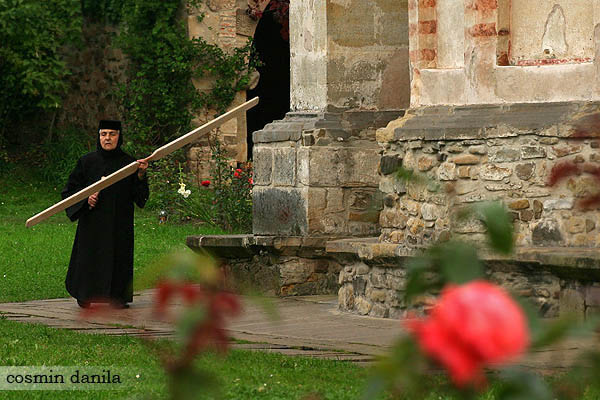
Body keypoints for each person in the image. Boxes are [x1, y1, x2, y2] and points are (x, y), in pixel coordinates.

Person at [62, 120, 149, 309]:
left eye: (112, 134)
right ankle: (85, 295)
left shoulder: (129, 163)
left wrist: (140, 176)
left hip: (120, 221)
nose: (107, 138)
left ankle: (117, 296)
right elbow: (70, 191)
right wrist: (86, 200)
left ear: (119, 136)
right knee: (89, 256)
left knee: (119, 255)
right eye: (103, 134)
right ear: (98, 136)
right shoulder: (86, 162)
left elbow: (139, 196)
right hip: (92, 221)